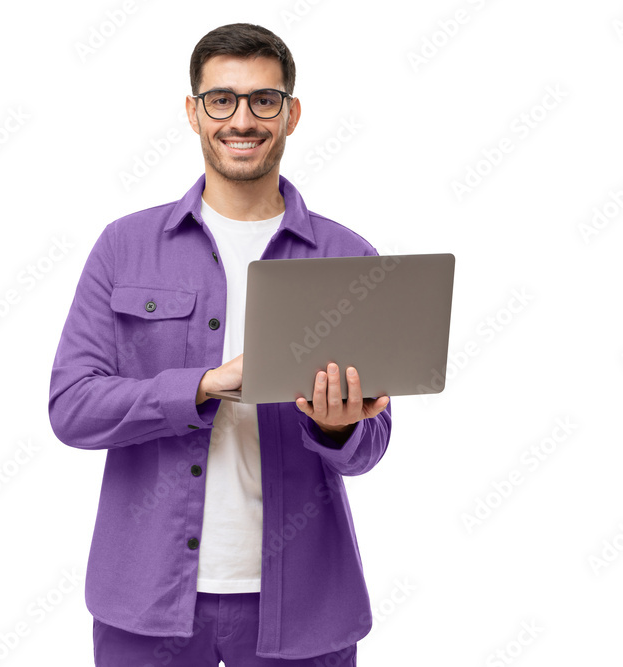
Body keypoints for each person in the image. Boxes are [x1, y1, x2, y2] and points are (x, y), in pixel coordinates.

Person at [48, 22, 391, 666]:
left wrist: (338, 426)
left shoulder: (349, 258)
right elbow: (72, 409)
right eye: (221, 100)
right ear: (193, 112)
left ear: (291, 114)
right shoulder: (124, 247)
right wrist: (202, 387)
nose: (242, 119)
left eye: (264, 100)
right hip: (146, 604)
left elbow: (371, 446)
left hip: (303, 607)